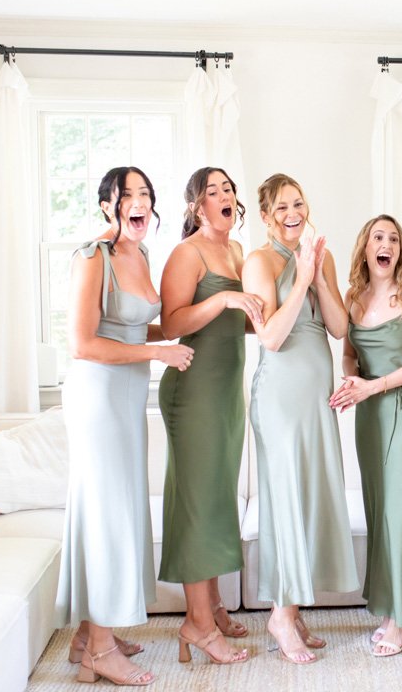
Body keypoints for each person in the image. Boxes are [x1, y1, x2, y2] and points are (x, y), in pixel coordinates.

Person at [56, 167, 193, 687]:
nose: (140, 203)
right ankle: (101, 650)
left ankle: (89, 634)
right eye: (128, 195)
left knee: (114, 508)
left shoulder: (141, 254)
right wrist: (155, 351)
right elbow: (81, 342)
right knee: (107, 511)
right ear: (107, 206)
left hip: (129, 396)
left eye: (146, 195)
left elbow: (142, 324)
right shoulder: (94, 257)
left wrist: (194, 322)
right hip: (97, 397)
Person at [241, 173, 359, 664]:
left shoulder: (320, 255)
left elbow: (336, 327)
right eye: (282, 208)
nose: (293, 214)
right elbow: (270, 336)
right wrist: (303, 278)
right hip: (280, 397)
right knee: (286, 499)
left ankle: (295, 607)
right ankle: (280, 614)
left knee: (309, 498)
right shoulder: (258, 261)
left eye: (299, 204)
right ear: (267, 217)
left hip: (316, 398)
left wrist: (319, 271)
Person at [156, 167, 266, 665]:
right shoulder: (187, 253)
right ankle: (197, 624)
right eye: (212, 191)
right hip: (193, 390)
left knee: (218, 498)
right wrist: (224, 296)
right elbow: (175, 322)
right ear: (197, 208)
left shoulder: (238, 252)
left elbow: (234, 323)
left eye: (228, 189)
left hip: (226, 391)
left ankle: (214, 604)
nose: (224, 196)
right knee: (199, 504)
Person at [329, 215, 402, 657]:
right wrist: (351, 382)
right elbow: (350, 356)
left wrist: (374, 386)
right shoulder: (353, 299)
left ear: (400, 251)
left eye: (393, 238)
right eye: (378, 237)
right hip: (369, 417)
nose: (386, 244)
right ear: (366, 248)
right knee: (380, 512)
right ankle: (397, 611)